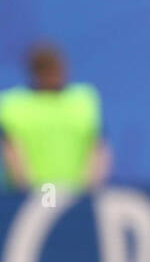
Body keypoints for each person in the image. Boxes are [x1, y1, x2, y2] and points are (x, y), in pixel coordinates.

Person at [0, 43, 111, 192]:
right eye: (45, 71)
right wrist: (29, 193)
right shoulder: (12, 105)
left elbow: (98, 149)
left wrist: (87, 191)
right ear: (34, 73)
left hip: (76, 195)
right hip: (31, 195)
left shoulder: (84, 100)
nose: (52, 76)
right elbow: (11, 152)